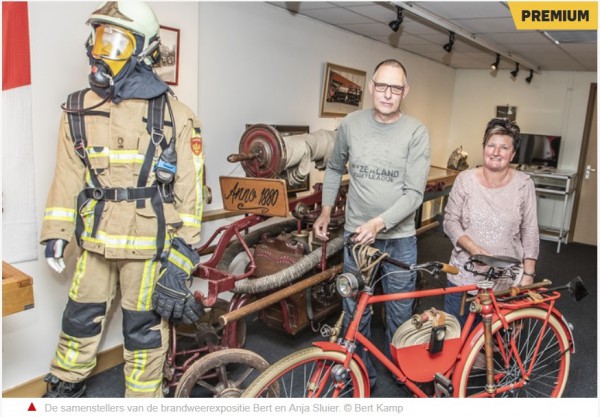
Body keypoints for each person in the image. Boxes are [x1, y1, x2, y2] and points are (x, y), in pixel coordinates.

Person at [40, 1, 205, 398]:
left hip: (150, 246)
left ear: (143, 50)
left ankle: (144, 401)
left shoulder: (176, 115)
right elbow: (66, 177)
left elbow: (191, 191)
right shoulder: (77, 109)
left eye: (113, 42)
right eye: (98, 38)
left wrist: (182, 259)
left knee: (144, 329)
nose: (99, 53)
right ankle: (64, 386)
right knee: (79, 319)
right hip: (95, 240)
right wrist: (56, 232)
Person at [314, 59, 431, 386]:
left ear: (404, 91)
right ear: (371, 87)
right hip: (357, 239)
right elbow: (335, 168)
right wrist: (326, 210)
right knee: (355, 311)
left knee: (398, 312)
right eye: (382, 86)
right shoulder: (351, 124)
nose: (388, 94)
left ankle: (403, 375)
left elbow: (413, 194)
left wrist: (379, 224)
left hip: (399, 239)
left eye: (396, 88)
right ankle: (361, 374)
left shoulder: (416, 132)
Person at [443, 118, 539, 327]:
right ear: (484, 147)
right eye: (491, 145)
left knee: (497, 343)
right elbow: (450, 221)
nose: (496, 152)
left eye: (504, 147)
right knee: (456, 340)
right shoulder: (465, 180)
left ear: (512, 154)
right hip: (464, 275)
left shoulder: (524, 184)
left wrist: (529, 275)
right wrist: (474, 249)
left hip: (506, 280)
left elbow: (530, 230)